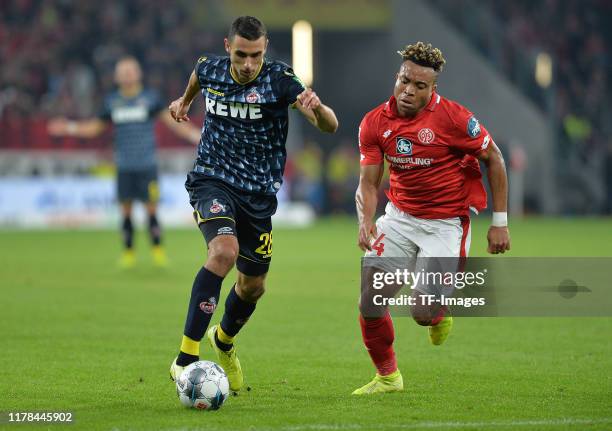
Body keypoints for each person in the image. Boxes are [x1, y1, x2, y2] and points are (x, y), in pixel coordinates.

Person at [167, 16, 338, 392]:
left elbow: (330, 126)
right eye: (241, 55)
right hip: (212, 179)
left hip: (258, 196)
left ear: (265, 51)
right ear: (228, 48)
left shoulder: (280, 79)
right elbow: (198, 75)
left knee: (252, 287)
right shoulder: (210, 67)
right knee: (223, 252)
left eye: (256, 56)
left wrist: (319, 108)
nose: (248, 65)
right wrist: (185, 101)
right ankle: (185, 358)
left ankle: (224, 340)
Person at [353, 42, 511, 395]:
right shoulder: (375, 123)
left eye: (419, 86)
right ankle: (388, 378)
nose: (408, 91)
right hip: (399, 217)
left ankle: (438, 313)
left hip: (445, 224)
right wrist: (366, 219)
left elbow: (495, 158)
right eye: (404, 81)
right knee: (370, 300)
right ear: (397, 76)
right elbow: (367, 183)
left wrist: (499, 221)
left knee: (421, 312)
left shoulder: (454, 119)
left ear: (432, 89)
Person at [48, 56, 201, 267]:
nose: (128, 74)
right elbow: (95, 128)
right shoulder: (112, 102)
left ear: (138, 74)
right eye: (124, 71)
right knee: (126, 211)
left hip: (147, 165)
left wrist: (198, 137)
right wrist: (68, 127)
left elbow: (173, 123)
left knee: (151, 210)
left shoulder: (150, 99)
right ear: (117, 77)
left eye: (131, 70)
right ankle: (128, 254)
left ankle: (158, 252)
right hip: (124, 166)